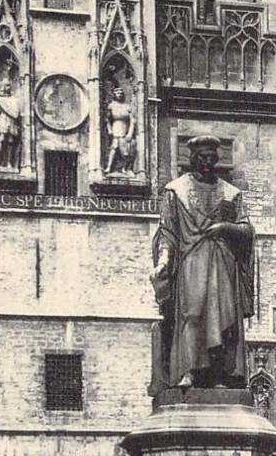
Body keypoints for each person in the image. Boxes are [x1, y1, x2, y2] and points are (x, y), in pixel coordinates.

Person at [149, 135, 254, 391]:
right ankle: (189, 371)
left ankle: (220, 376)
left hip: (222, 264)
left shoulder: (230, 193)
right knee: (192, 315)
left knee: (224, 319)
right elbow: (167, 232)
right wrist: (164, 260)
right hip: (191, 263)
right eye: (202, 158)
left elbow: (246, 229)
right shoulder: (176, 191)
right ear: (192, 160)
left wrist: (225, 227)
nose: (207, 163)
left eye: (212, 158)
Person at [104, 86, 137, 176]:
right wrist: (109, 129)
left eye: (121, 93)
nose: (119, 94)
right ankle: (109, 167)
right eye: (117, 93)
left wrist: (130, 132)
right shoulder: (111, 106)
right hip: (116, 127)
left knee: (126, 150)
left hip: (124, 128)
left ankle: (124, 168)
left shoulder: (127, 106)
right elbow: (107, 119)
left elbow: (132, 120)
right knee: (114, 147)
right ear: (114, 94)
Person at [0, 78, 21, 168]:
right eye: (7, 85)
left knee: (10, 141)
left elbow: (16, 111)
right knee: (1, 139)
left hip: (12, 120)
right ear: (3, 87)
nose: (9, 87)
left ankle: (8, 163)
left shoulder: (13, 99)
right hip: (3, 118)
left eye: (9, 85)